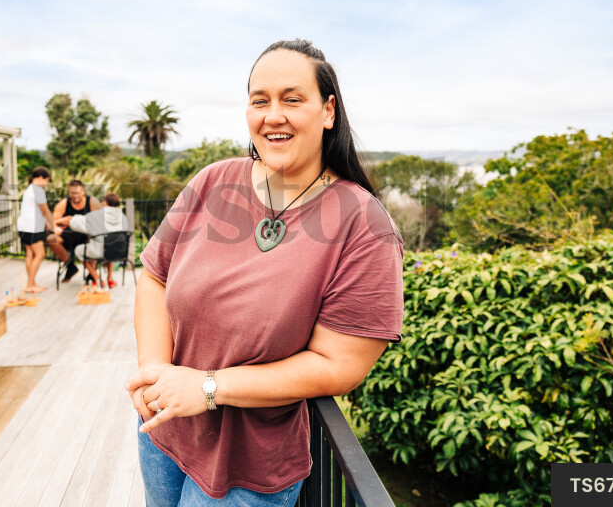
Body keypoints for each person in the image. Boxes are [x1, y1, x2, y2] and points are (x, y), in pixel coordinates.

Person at [125, 39, 405, 506]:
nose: (273, 115)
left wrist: (208, 388)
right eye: (260, 100)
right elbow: (155, 276)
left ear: (328, 110)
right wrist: (155, 369)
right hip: (163, 430)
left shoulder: (364, 225)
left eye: (292, 99)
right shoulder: (213, 182)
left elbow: (341, 364)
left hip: (250, 468)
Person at [45, 180, 102, 283]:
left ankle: (92, 272)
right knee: (51, 239)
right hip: (68, 236)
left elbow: (102, 220)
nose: (75, 196)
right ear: (69, 193)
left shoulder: (92, 202)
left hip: (87, 236)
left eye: (77, 193)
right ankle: (70, 266)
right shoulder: (64, 203)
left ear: (83, 192)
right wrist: (59, 222)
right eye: (72, 193)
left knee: (98, 239)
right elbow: (51, 222)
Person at [69, 192, 129, 289]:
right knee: (110, 245)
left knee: (79, 250)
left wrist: (75, 218)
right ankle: (110, 279)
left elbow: (76, 224)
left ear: (105, 202)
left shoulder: (97, 215)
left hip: (99, 251)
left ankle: (96, 278)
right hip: (118, 251)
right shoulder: (123, 217)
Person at [16, 166, 54, 293]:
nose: (46, 184)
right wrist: (53, 227)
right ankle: (29, 285)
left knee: (30, 255)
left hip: (23, 227)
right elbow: (46, 211)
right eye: (46, 181)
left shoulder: (29, 189)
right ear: (41, 178)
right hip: (32, 228)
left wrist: (48, 225)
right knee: (40, 254)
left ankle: (32, 283)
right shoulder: (37, 190)